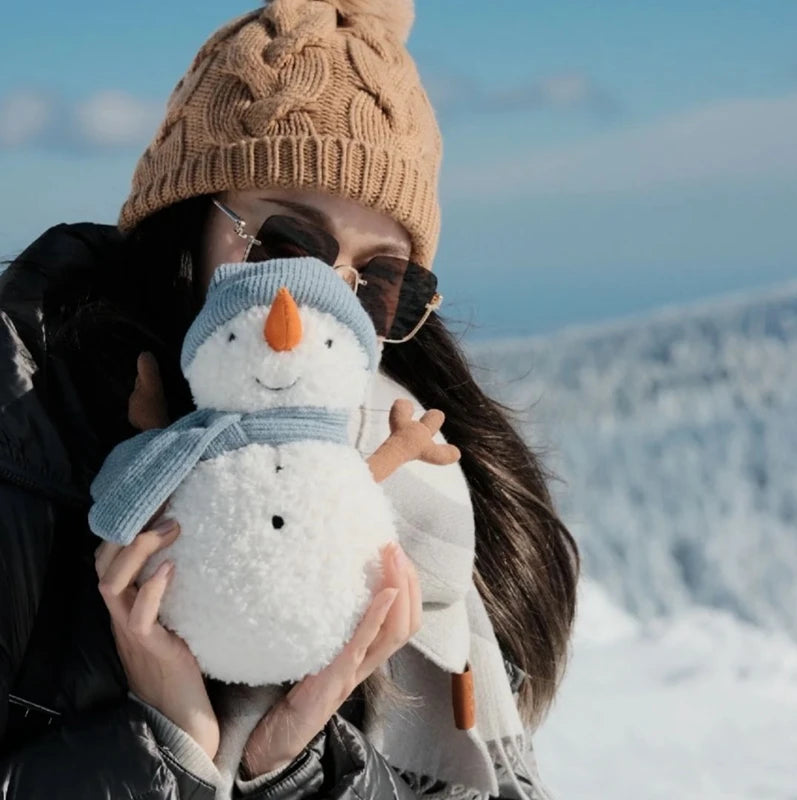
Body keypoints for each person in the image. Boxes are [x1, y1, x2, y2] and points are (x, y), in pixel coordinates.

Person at [0, 1, 580, 798]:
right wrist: (164, 747)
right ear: (185, 224)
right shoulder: (24, 437)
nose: (319, 299)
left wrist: (299, 768)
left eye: (377, 279)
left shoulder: (431, 499)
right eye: (285, 243)